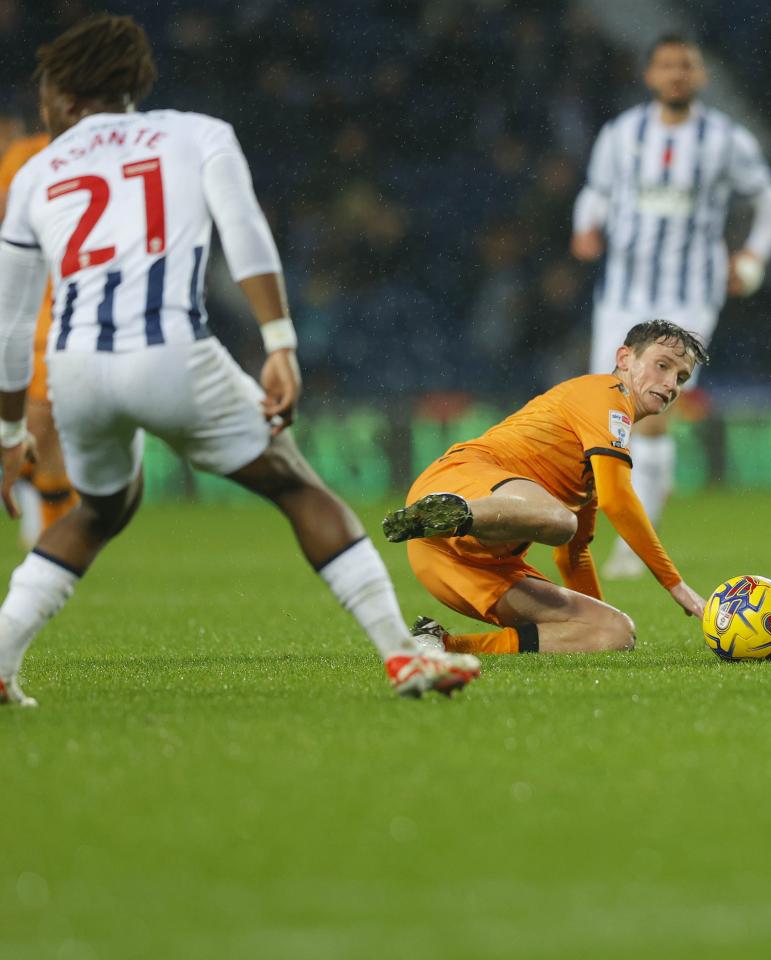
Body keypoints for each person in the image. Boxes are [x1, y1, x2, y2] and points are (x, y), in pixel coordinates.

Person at [0, 13, 480, 707]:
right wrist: (279, 341)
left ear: (69, 98)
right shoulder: (196, 133)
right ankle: (404, 656)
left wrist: (10, 433)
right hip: (170, 352)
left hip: (75, 368)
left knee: (100, 510)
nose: (42, 107)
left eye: (46, 93)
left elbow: (12, 326)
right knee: (295, 486)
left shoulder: (36, 171)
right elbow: (245, 232)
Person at [571, 33, 771, 579]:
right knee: (607, 412)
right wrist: (585, 228)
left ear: (700, 76)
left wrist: (753, 257)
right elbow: (595, 192)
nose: (676, 74)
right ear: (650, 75)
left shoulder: (724, 140)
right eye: (666, 65)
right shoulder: (621, 135)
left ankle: (632, 545)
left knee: (647, 407)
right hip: (622, 295)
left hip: (688, 295)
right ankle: (616, 521)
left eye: (685, 66)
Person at [383, 320, 707, 655]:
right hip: (460, 479)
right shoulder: (607, 396)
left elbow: (574, 554)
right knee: (560, 520)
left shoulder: (595, 455)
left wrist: (594, 612)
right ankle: (451, 512)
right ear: (624, 359)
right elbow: (618, 500)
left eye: (681, 378)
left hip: (464, 567)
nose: (670, 384)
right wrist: (675, 584)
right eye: (662, 365)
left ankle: (441, 645)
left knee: (613, 632)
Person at [0, 129, 79, 547]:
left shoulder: (43, 155)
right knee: (40, 425)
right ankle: (48, 518)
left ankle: (54, 522)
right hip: (35, 314)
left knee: (54, 431)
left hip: (77, 312)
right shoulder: (22, 159)